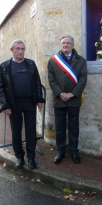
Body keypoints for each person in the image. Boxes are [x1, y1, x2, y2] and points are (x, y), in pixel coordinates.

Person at [0, 39, 45, 169]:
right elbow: (1, 88)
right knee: (16, 131)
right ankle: (19, 157)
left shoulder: (31, 64)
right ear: (12, 50)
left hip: (29, 102)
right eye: (17, 49)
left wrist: (39, 99)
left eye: (22, 49)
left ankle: (31, 157)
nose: (20, 51)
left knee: (31, 131)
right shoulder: (4, 66)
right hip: (14, 104)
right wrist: (5, 105)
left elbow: (37, 82)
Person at [48, 35, 87, 165]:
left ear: (73, 45)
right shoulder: (53, 61)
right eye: (63, 43)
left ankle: (74, 151)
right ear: (61, 45)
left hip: (74, 100)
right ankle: (60, 151)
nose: (65, 45)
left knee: (74, 127)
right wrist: (60, 93)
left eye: (68, 43)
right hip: (59, 100)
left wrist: (72, 94)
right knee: (59, 128)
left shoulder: (81, 61)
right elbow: (51, 80)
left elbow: (83, 79)